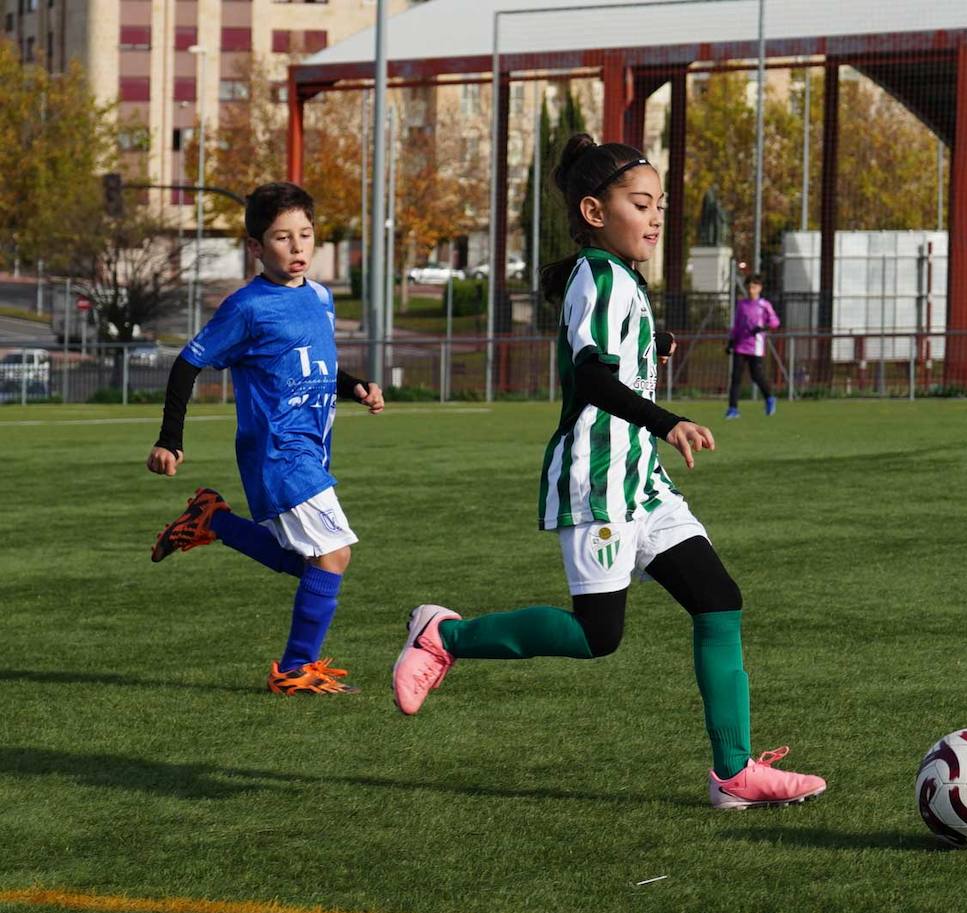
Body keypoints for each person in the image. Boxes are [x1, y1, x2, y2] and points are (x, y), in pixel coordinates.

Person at [392, 134, 826, 810]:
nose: (655, 217)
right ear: (594, 211)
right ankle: (442, 634)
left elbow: (619, 358)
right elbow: (592, 377)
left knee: (718, 599)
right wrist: (665, 418)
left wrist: (657, 348)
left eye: (659, 206)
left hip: (642, 481)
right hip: (597, 477)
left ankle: (733, 771)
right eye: (641, 203)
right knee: (598, 635)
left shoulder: (625, 280)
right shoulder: (595, 277)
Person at [146, 182, 385, 696]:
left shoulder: (320, 298)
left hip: (312, 449)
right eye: (282, 238)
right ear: (256, 247)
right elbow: (189, 362)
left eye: (306, 234)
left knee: (308, 559)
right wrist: (171, 437)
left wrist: (356, 385)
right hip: (278, 452)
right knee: (334, 553)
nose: (298, 248)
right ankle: (296, 669)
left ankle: (213, 520)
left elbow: (314, 361)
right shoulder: (247, 307)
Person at [725, 274, 780, 419]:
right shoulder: (742, 305)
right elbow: (737, 325)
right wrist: (731, 341)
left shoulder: (764, 305)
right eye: (749, 287)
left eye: (754, 287)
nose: (751, 289)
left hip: (755, 346)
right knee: (735, 377)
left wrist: (763, 328)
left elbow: (775, 322)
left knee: (756, 376)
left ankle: (769, 398)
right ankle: (733, 409)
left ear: (759, 288)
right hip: (740, 345)